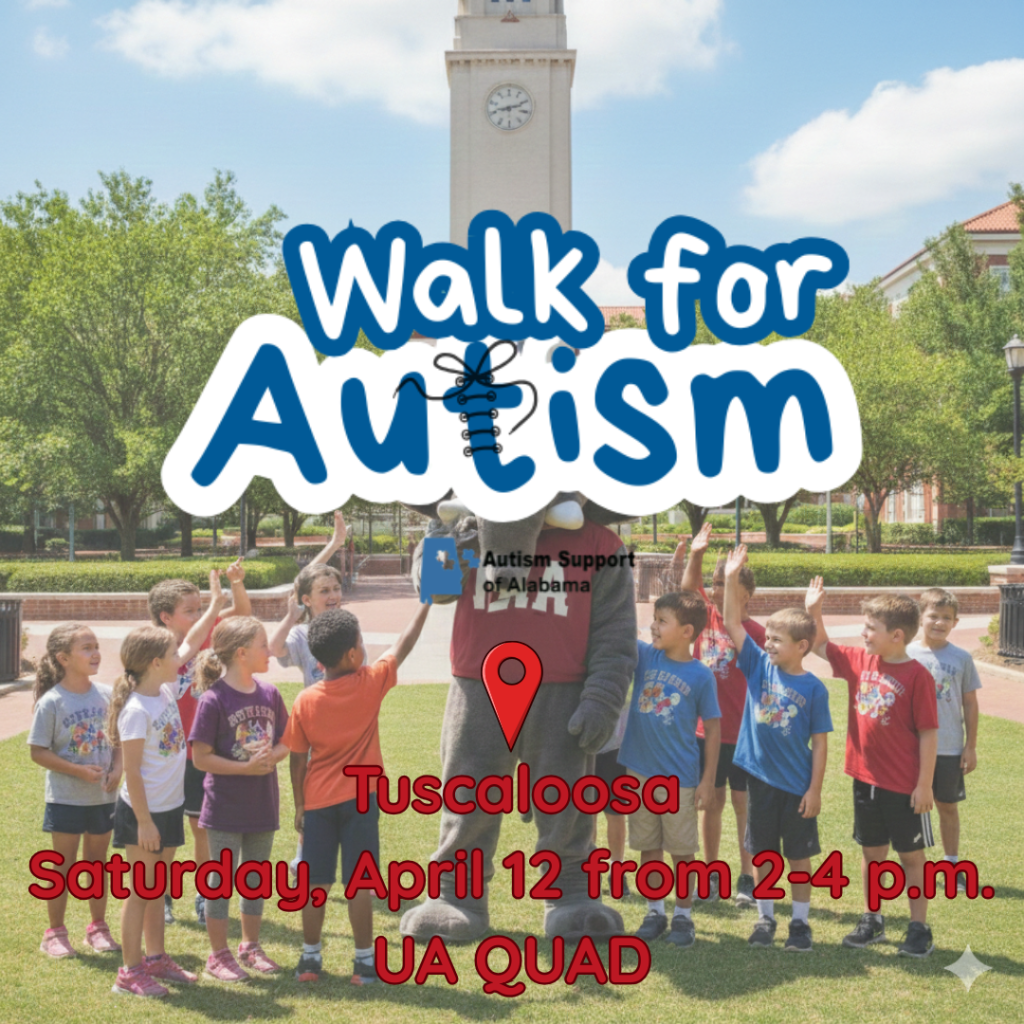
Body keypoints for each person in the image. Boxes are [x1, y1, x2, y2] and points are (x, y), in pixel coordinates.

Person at [283, 602, 431, 984]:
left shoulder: (305, 700)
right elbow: (404, 643)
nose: (365, 646)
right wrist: (426, 603)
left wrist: (300, 804)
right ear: (351, 654)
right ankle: (364, 963)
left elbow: (297, 761)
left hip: (316, 803)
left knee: (315, 884)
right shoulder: (370, 682)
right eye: (362, 641)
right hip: (361, 801)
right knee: (360, 883)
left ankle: (309, 960)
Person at [806, 581, 939, 958]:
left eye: (870, 628)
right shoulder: (859, 661)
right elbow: (819, 645)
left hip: (905, 787)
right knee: (871, 853)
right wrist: (814, 610)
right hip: (865, 781)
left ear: (896, 636)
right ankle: (873, 919)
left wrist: (925, 785)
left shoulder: (918, 677)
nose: (862, 634)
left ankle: (918, 926)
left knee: (911, 858)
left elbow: (929, 734)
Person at [721, 547, 832, 951]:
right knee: (765, 855)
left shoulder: (814, 689)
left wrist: (815, 789)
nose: (767, 644)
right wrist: (731, 578)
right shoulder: (756, 665)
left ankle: (800, 924)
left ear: (802, 646)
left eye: (777, 640)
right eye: (766, 637)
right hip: (761, 784)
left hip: (797, 786)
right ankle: (765, 919)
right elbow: (731, 621)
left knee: (799, 858)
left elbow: (820, 744)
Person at [617, 590, 720, 950]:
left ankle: (683, 916)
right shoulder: (646, 656)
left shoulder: (700, 675)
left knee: (681, 850)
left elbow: (713, 729)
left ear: (687, 631)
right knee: (648, 846)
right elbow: (620, 629)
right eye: (654, 619)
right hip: (640, 773)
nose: (653, 626)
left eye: (662, 621)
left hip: (680, 778)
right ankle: (654, 911)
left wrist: (708, 780)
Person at [190, 618, 290, 981]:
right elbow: (201, 758)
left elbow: (287, 740)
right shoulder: (213, 699)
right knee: (219, 884)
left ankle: (250, 946)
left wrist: (270, 759)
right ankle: (218, 955)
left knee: (255, 879)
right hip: (224, 810)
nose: (270, 651)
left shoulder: (270, 693)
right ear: (241, 653)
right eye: (264, 646)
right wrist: (245, 768)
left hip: (263, 805)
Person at [148, 564, 246, 924]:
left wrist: (227, 594)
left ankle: (206, 897)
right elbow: (187, 645)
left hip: (201, 752)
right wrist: (216, 604)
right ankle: (163, 896)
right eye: (188, 610)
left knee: (202, 828)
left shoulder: (209, 635)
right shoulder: (154, 647)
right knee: (164, 833)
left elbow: (240, 617)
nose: (197, 614)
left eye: (197, 607)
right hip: (164, 758)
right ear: (165, 617)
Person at [675, 522, 766, 907]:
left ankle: (747, 876)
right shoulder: (704, 618)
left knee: (744, 806)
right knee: (709, 802)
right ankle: (712, 876)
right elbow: (685, 589)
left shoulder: (756, 633)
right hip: (705, 732)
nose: (718, 591)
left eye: (728, 587)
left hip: (743, 735)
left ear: (748, 597)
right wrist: (696, 554)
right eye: (716, 585)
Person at [107, 627, 198, 997]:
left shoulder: (164, 690)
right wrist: (144, 822)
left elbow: (194, 641)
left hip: (169, 806)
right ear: (156, 663)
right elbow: (131, 771)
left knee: (157, 888)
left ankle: (156, 958)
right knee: (141, 891)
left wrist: (217, 602)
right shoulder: (135, 711)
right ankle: (129, 973)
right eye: (175, 654)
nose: (182, 658)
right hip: (142, 814)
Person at [28, 623, 122, 958]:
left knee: (97, 863)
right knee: (63, 866)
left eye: (96, 645)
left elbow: (120, 742)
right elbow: (38, 751)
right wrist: (78, 770)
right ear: (63, 658)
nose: (95, 652)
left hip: (102, 797)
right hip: (66, 798)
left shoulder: (109, 695)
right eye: (86, 647)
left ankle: (97, 928)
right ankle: (54, 932)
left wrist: (117, 769)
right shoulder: (52, 702)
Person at [268, 510, 347, 874]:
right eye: (324, 591)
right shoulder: (301, 635)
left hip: (350, 726)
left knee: (348, 794)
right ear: (307, 599)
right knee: (312, 793)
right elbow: (274, 647)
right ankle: (304, 857)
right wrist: (292, 614)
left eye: (335, 589)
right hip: (315, 727)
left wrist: (334, 545)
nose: (331, 595)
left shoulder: (349, 626)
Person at [906, 588, 981, 892]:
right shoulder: (907, 653)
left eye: (946, 618)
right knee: (910, 805)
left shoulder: (961, 658)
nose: (939, 622)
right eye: (933, 616)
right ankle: (914, 864)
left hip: (949, 746)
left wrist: (971, 746)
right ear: (920, 618)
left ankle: (951, 865)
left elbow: (970, 703)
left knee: (947, 805)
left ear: (956, 622)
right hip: (910, 747)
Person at [591, 706, 631, 897]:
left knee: (615, 812)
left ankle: (617, 872)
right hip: (585, 743)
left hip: (616, 745)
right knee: (587, 813)